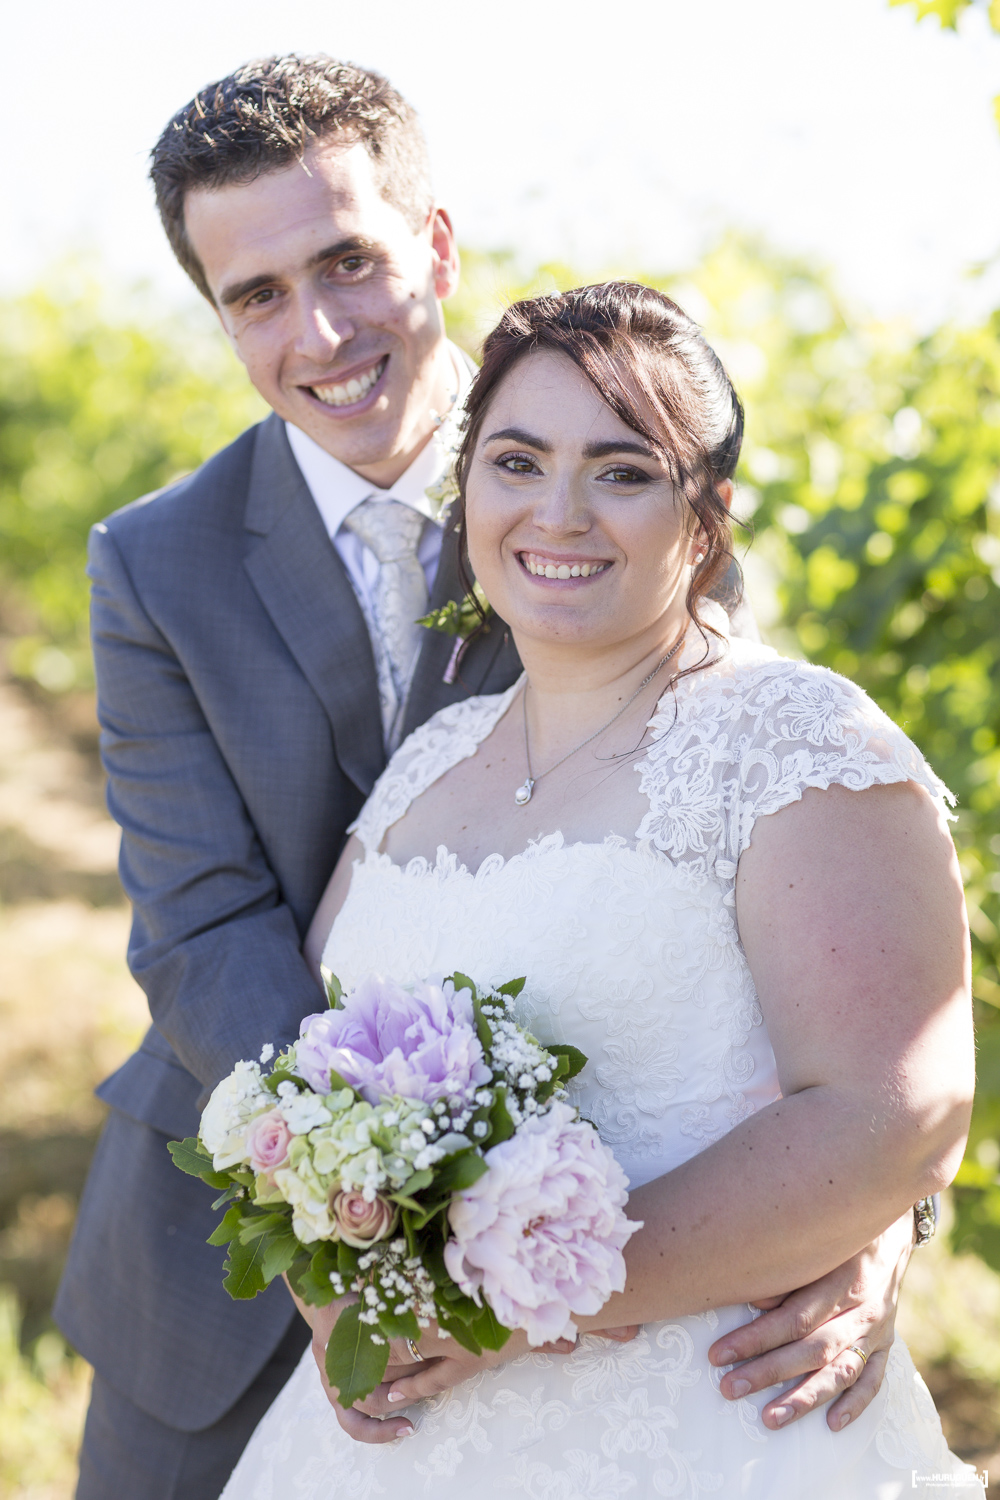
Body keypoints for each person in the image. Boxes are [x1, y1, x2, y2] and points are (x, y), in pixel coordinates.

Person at [52, 56, 932, 1500]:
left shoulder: (623, 472)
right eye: (255, 295)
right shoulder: (154, 562)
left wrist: (870, 1211)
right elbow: (201, 925)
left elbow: (798, 873)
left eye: (349, 260)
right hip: (229, 1245)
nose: (320, 331)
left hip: (616, 1260)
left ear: (438, 245)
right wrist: (353, 1204)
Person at [220, 282, 981, 1499]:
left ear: (707, 517)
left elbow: (891, 1114)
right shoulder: (428, 762)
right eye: (516, 462)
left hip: (711, 1423)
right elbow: (314, 1071)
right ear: (468, 489)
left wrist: (511, 1302)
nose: (558, 511)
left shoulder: (793, 741)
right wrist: (334, 1250)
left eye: (622, 472)